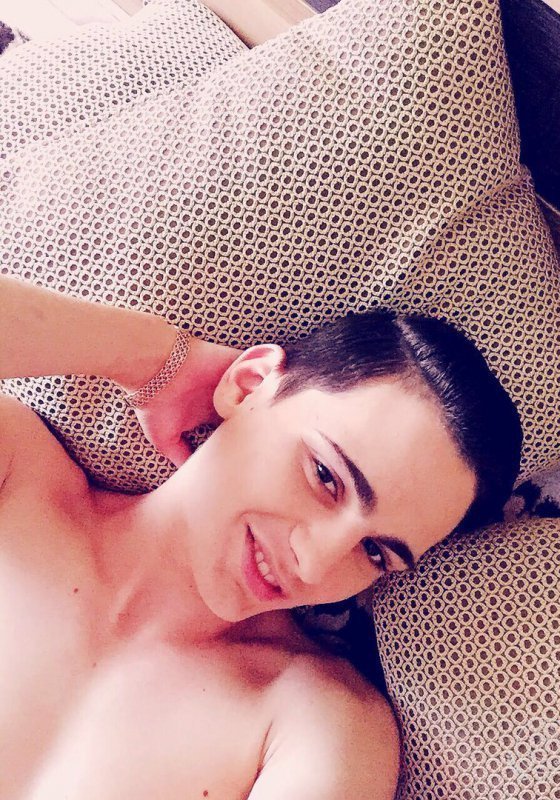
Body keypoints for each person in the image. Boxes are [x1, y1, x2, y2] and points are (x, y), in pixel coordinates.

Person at [0, 275, 522, 799]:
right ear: (249, 386)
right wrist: (155, 358)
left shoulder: (316, 724)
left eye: (374, 552)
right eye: (326, 477)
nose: (314, 565)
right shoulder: (17, 477)